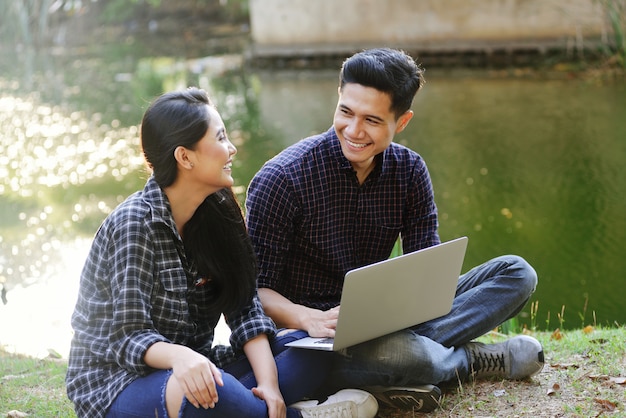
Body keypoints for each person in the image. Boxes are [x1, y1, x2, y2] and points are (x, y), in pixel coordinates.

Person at [245, 48, 545, 413]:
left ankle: (406, 366)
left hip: (386, 315)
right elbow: (253, 294)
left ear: (401, 122)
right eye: (346, 112)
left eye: (372, 120)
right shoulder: (282, 179)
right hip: (314, 337)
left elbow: (428, 278)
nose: (354, 131)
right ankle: (469, 360)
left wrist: (407, 306)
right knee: (410, 354)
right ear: (338, 99)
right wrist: (307, 317)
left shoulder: (410, 171)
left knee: (517, 273)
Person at [65, 88, 379, 418]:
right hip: (118, 383)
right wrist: (181, 358)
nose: (232, 149)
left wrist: (269, 384)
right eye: (220, 138)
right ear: (185, 157)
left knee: (309, 350)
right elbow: (129, 337)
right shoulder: (135, 224)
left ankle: (254, 407)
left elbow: (244, 308)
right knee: (209, 391)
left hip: (198, 367)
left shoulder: (219, 210)